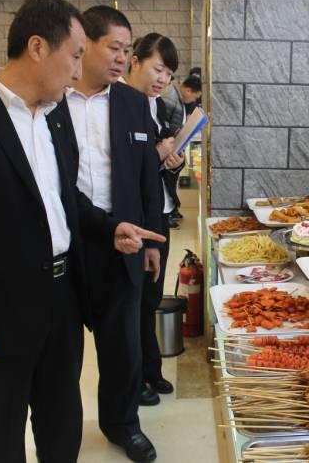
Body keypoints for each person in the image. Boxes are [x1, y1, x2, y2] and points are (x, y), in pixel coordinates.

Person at [0, 0, 163, 463]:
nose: (78, 69)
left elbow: (65, 200)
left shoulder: (52, 119)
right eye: (75, 55)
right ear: (37, 47)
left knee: (61, 426)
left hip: (61, 300)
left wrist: (109, 229)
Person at [60, 6, 163, 463]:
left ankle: (123, 424)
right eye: (114, 48)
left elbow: (146, 179)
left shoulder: (131, 103)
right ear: (85, 44)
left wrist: (153, 241)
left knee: (123, 344)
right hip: (66, 240)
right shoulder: (52, 100)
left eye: (127, 50)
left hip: (124, 239)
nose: (123, 58)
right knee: (62, 348)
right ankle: (59, 431)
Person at [124, 32, 186, 406]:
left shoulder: (158, 107)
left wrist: (172, 160)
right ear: (135, 61)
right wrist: (157, 153)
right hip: (133, 219)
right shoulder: (120, 105)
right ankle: (135, 379)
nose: (163, 79)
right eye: (158, 69)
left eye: (169, 74)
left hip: (158, 213)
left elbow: (157, 167)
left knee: (150, 299)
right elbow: (123, 168)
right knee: (132, 306)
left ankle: (151, 369)